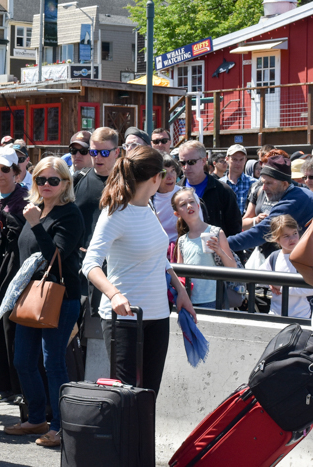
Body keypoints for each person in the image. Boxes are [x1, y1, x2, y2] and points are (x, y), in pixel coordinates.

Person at [83, 147, 195, 395]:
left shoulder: (149, 208)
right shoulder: (115, 214)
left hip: (158, 316)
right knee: (128, 397)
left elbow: (160, 258)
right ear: (156, 177)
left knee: (149, 395)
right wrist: (114, 295)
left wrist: (181, 291)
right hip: (124, 318)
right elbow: (90, 263)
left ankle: (144, 436)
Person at [6, 156, 85, 448]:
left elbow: (57, 255)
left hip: (60, 297)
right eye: (41, 179)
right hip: (31, 295)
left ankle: (60, 426)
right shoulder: (33, 209)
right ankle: (36, 417)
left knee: (54, 364)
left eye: (54, 180)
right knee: (23, 360)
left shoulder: (70, 213)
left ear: (66, 183)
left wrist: (37, 225)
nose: (47, 185)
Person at [0, 147, 27, 404]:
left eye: (4, 169)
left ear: (15, 171)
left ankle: (18, 385)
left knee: (11, 325)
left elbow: (22, 231)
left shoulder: (24, 198)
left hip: (15, 267)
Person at [227, 159, 313, 254]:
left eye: (269, 183)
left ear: (284, 184)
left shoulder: (292, 203)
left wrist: (222, 245)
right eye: (263, 183)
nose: (263, 188)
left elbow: (260, 233)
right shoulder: (302, 193)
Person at [171, 187, 236, 309]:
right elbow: (180, 274)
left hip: (214, 299)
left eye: (191, 202)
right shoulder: (182, 240)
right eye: (183, 205)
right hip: (191, 299)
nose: (189, 206)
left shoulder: (216, 232)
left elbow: (233, 268)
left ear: (198, 205)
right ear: (177, 214)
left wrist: (219, 251)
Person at [179, 140, 242, 236]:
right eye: (182, 163)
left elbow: (234, 229)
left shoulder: (223, 191)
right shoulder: (176, 190)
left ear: (204, 161)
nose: (186, 167)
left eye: (191, 162)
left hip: (216, 248)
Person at [259, 215, 313, 318]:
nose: (292, 239)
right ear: (277, 239)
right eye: (286, 236)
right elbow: (259, 276)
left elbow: (312, 289)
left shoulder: (305, 257)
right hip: (276, 314)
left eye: (294, 233)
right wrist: (270, 283)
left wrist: (282, 287)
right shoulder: (274, 257)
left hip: (301, 316)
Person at [75, 127, 121, 253]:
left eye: (104, 153)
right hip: (80, 258)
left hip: (113, 259)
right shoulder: (78, 179)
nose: (98, 157)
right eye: (94, 152)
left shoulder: (127, 183)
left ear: (116, 152)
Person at [242, 148, 292, 230]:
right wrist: (256, 220)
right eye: (263, 163)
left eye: (269, 183)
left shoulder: (297, 192)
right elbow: (243, 222)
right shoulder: (258, 189)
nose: (264, 188)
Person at [152, 154, 182, 243]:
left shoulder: (187, 195)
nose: (170, 177)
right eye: (164, 172)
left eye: (173, 170)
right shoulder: (147, 198)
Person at [221, 144, 255, 215]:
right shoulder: (219, 184)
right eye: (234, 159)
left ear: (245, 160)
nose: (238, 163)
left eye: (241, 159)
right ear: (227, 159)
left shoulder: (254, 183)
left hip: (248, 225)